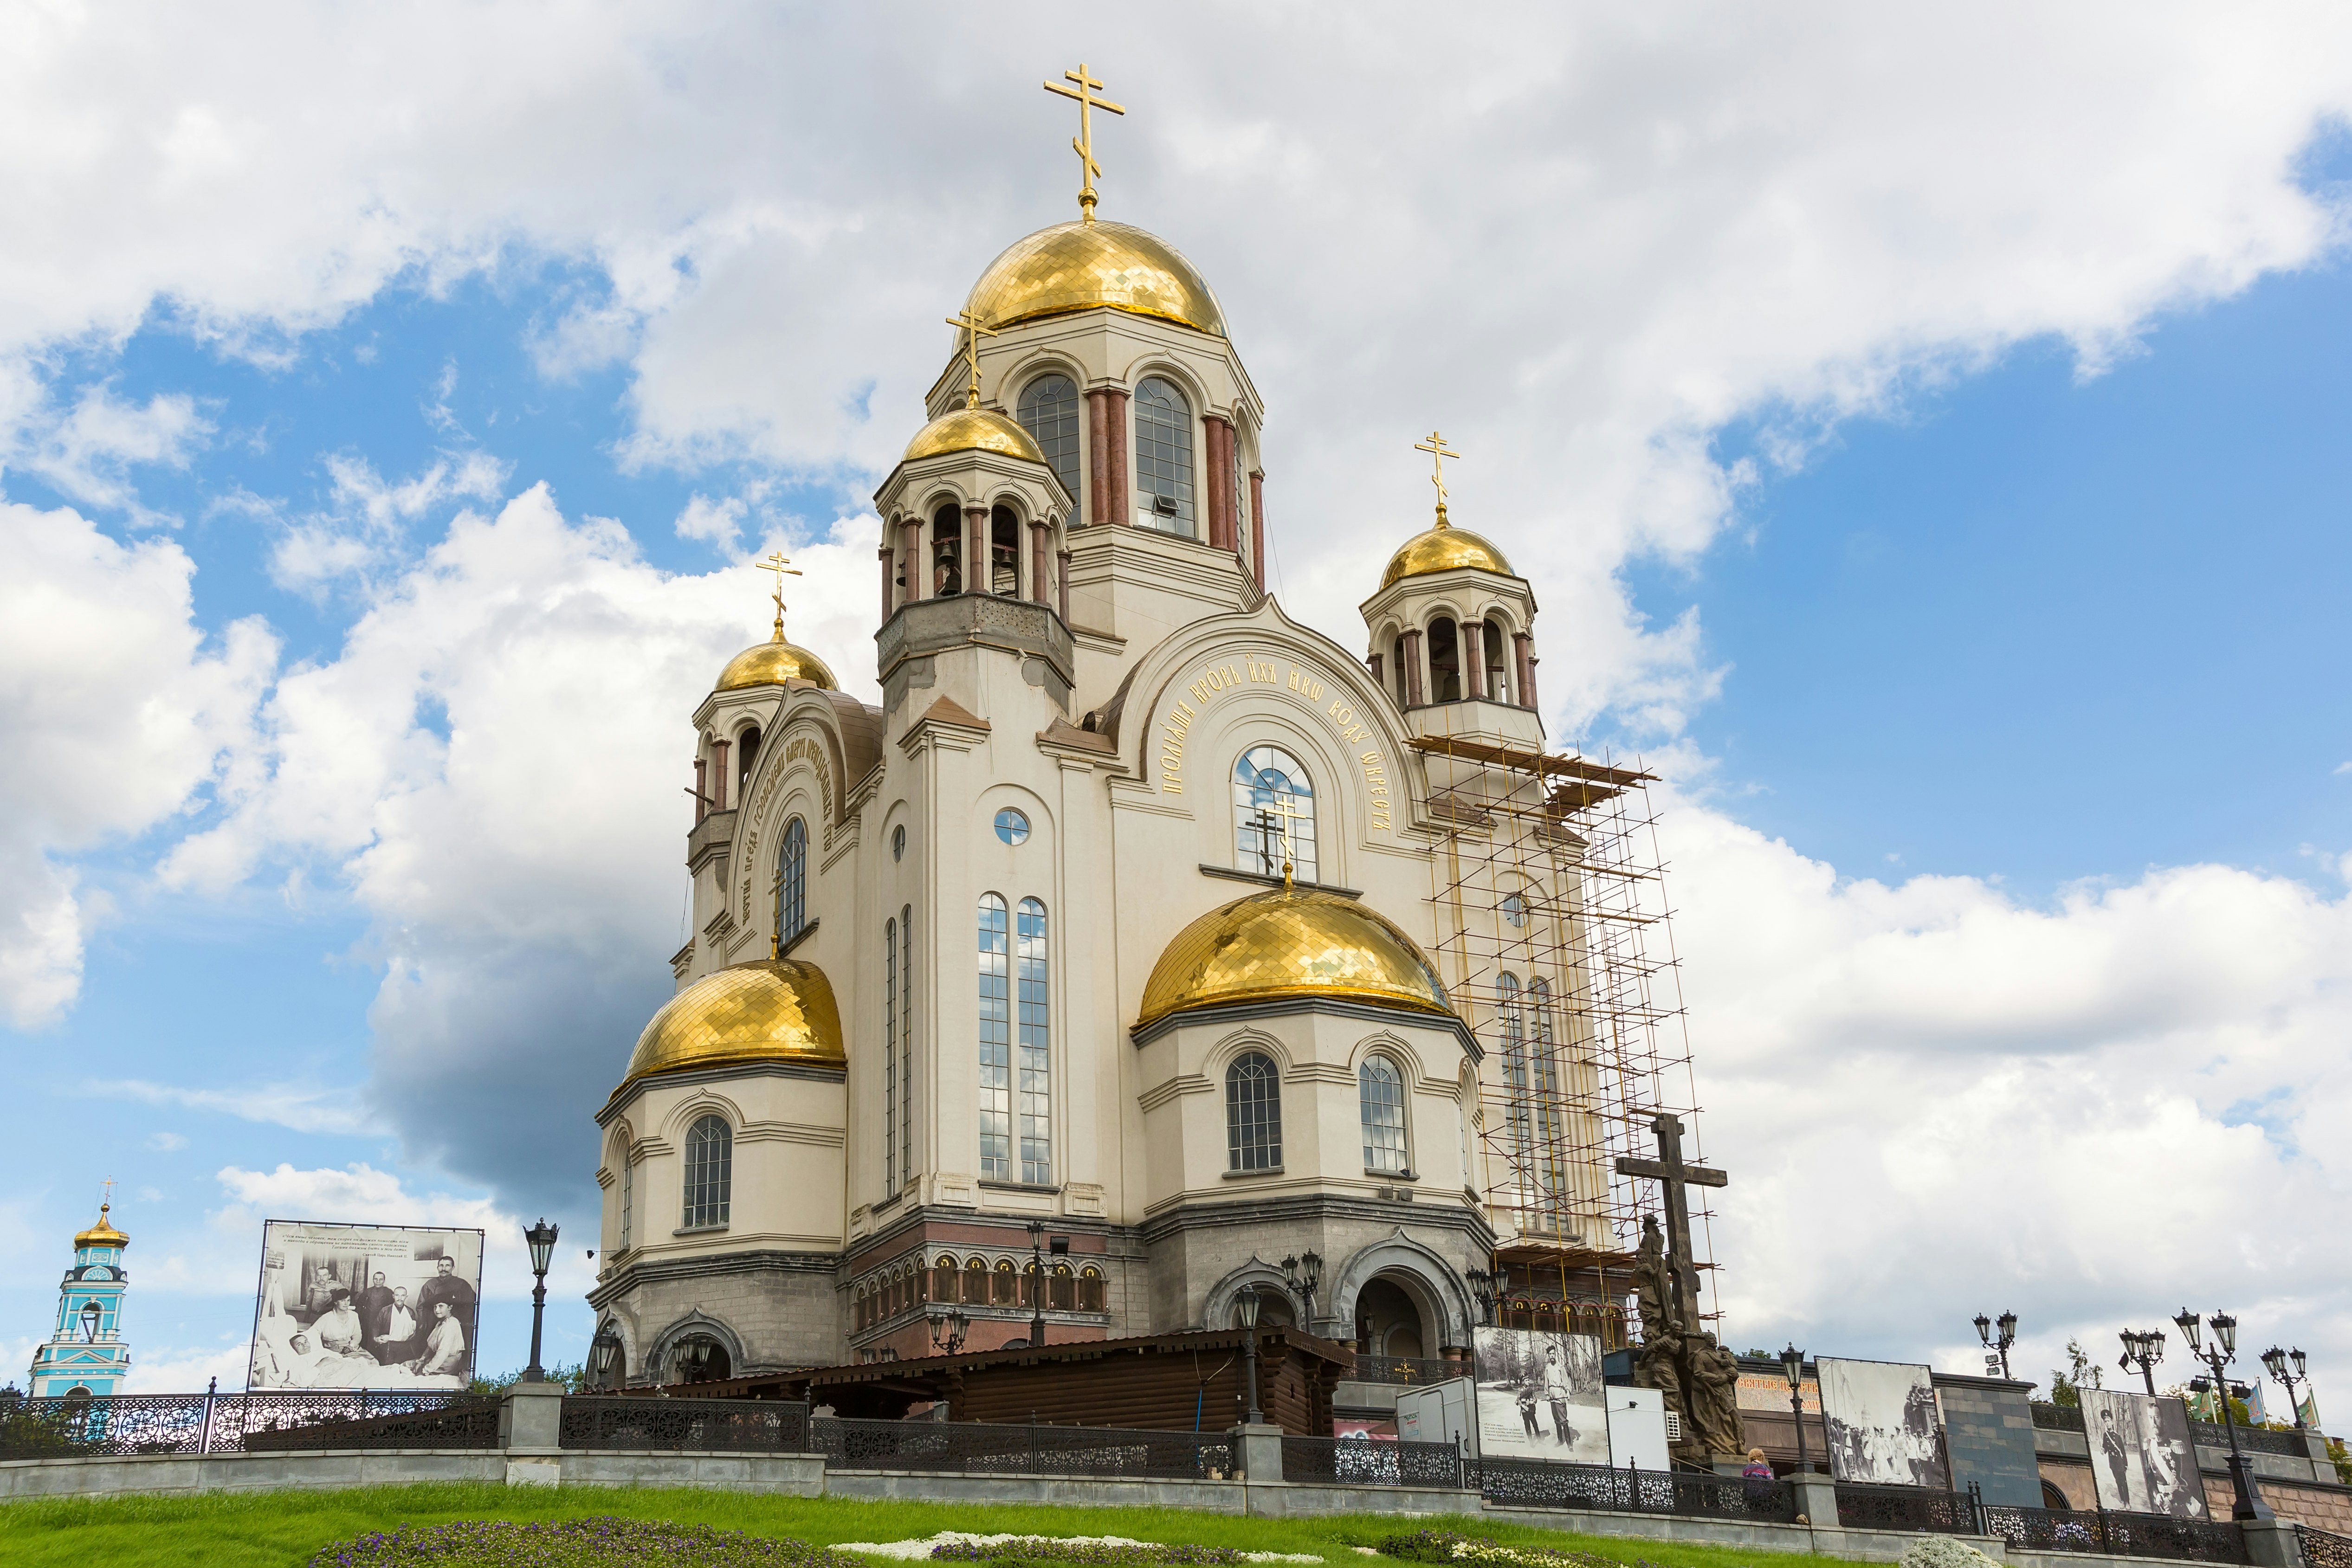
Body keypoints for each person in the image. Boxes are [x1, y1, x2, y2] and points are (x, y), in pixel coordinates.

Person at [415, 1258, 478, 1374]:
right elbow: (421, 1306)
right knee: (429, 1348)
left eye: (447, 1266)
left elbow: (472, 1304)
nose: (444, 1269)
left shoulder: (461, 1284)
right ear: (437, 1267)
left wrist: (463, 1321)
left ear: (453, 1268)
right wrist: (423, 1323)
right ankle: (426, 1367)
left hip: (455, 1323)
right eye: (441, 1266)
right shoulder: (430, 1284)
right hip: (432, 1322)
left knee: (448, 1350)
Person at [408, 1299, 467, 1378]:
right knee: (410, 1365)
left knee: (413, 1371)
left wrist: (425, 1370)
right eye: (435, 1307)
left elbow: (442, 1354)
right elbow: (431, 1347)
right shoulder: (442, 1322)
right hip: (440, 1359)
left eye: (441, 1306)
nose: (437, 1310)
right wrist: (421, 1361)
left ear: (450, 1307)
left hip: (447, 1363)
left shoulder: (450, 1325)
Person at [311, 1290, 365, 1358]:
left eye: (348, 1301)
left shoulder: (354, 1315)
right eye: (343, 1301)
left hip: (352, 1348)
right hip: (333, 1351)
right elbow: (313, 1334)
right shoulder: (326, 1318)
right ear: (336, 1302)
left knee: (372, 1362)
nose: (346, 1304)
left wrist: (351, 1346)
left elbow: (357, 1334)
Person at [354, 1271, 395, 1357]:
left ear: (384, 1281)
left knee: (380, 1342)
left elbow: (392, 1308)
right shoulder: (367, 1292)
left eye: (381, 1279)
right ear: (373, 1280)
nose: (378, 1281)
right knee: (367, 1341)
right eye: (376, 1279)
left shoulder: (388, 1293)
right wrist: (360, 1319)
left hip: (382, 1323)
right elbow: (359, 1305)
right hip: (368, 1321)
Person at [375, 1286, 418, 1364]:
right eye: (397, 1295)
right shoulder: (385, 1311)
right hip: (388, 1345)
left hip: (404, 1345)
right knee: (387, 1367)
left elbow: (413, 1333)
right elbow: (376, 1327)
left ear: (406, 1297)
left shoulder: (410, 1312)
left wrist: (393, 1337)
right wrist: (376, 1338)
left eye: (403, 1296)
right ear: (393, 1296)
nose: (400, 1298)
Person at [1544, 1343, 1575, 1448]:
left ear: (1555, 1355)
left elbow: (1566, 1381)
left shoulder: (1560, 1367)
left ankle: (1569, 1443)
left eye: (1553, 1354)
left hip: (1560, 1393)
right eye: (1550, 1354)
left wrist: (1568, 1392)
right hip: (1552, 1395)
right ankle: (1560, 1440)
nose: (1552, 1356)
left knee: (1563, 1419)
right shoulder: (1547, 1368)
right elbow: (1546, 1382)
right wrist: (1547, 1394)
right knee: (1556, 1418)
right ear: (1548, 1356)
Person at [1743, 1446, 1777, 1510]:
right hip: (1763, 1495)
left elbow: (1743, 1481)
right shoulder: (1764, 1467)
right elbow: (1771, 1481)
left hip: (1750, 1495)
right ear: (1761, 1457)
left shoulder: (1746, 1468)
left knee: (1753, 1512)